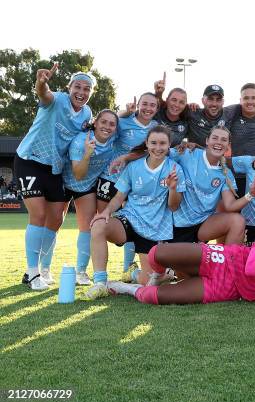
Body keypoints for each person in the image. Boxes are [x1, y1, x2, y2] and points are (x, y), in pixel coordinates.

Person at [105, 211, 255, 306]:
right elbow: (253, 267)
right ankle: (158, 277)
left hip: (230, 288)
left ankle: (124, 288)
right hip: (226, 259)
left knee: (151, 297)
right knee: (157, 253)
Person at [14, 63, 95, 290]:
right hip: (30, 160)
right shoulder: (57, 99)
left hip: (54, 168)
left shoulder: (87, 113)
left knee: (56, 220)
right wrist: (41, 83)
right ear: (68, 88)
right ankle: (32, 273)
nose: (81, 92)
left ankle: (44, 269)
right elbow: (44, 95)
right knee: (38, 215)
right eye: (77, 87)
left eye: (86, 89)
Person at [87, 126, 185, 299]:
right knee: (99, 226)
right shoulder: (134, 167)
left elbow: (173, 206)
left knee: (148, 283)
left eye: (162, 143)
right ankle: (100, 283)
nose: (158, 147)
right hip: (130, 219)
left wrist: (173, 188)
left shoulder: (175, 169)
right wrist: (106, 212)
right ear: (146, 144)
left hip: (155, 229)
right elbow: (119, 197)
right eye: (153, 142)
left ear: (169, 145)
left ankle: (133, 274)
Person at [97, 93, 159, 278]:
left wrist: (126, 157)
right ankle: (84, 271)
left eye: (153, 105)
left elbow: (148, 151)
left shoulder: (155, 127)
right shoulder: (123, 122)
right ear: (138, 104)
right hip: (110, 178)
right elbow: (108, 122)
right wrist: (124, 112)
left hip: (134, 182)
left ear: (157, 109)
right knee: (98, 220)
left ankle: (128, 269)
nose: (148, 108)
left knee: (134, 223)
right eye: (145, 104)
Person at [169, 125, 255, 245]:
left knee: (238, 220)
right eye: (215, 138)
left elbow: (230, 206)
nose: (219, 142)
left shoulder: (226, 173)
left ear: (228, 145)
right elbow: (159, 154)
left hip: (203, 225)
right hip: (177, 224)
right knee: (184, 263)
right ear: (207, 141)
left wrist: (251, 194)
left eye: (224, 140)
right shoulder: (188, 153)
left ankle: (229, 262)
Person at [62, 110, 119, 285]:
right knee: (54, 223)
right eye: (104, 122)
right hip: (65, 181)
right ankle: (43, 270)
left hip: (86, 187)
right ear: (95, 123)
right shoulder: (81, 141)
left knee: (87, 227)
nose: (107, 127)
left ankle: (81, 272)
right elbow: (78, 174)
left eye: (112, 124)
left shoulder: (113, 142)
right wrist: (88, 153)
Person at [151, 72, 189, 144]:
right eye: (174, 100)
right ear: (167, 100)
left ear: (185, 105)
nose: (177, 105)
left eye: (181, 102)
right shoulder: (156, 113)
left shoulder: (187, 122)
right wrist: (158, 93)